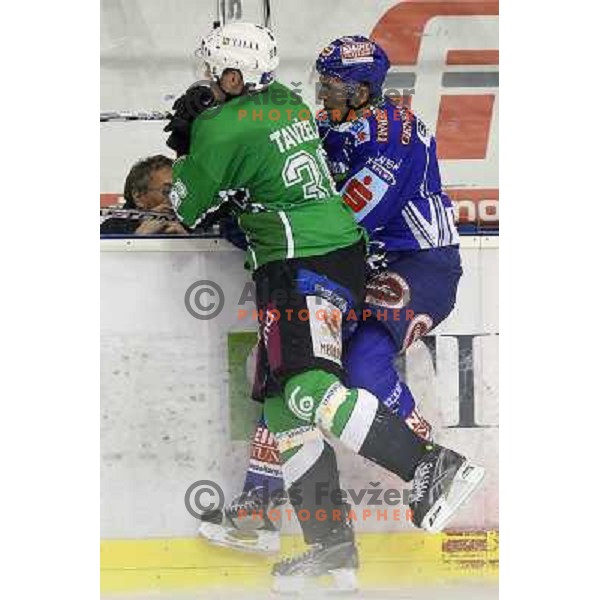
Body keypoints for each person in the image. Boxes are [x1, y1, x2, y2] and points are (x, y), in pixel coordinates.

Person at [169, 23, 483, 592]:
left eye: (336, 88)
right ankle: (312, 539)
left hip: (407, 265)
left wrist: (236, 202)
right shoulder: (296, 111)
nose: (323, 95)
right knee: (282, 389)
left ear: (363, 91)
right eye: (322, 84)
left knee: (342, 372)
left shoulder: (394, 136)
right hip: (343, 261)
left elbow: (338, 216)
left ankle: (429, 465)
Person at [100, 155, 187, 235]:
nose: (177, 200)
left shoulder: (192, 224)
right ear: (138, 196)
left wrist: (187, 242)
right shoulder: (109, 230)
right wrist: (139, 238)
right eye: (167, 191)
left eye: (180, 192)